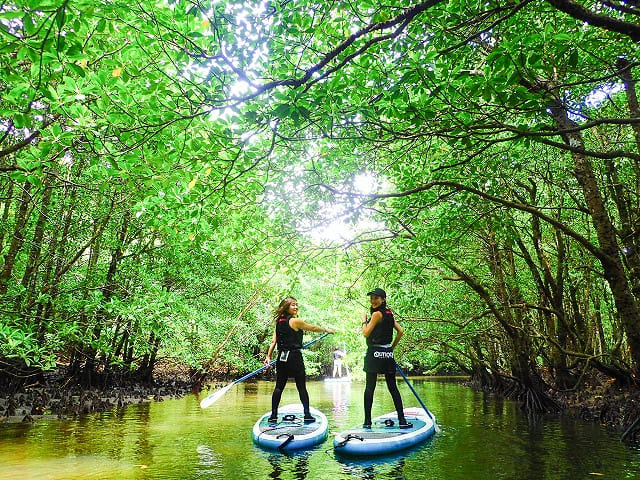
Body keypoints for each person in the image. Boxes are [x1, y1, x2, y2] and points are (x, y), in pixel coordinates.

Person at [264, 296, 334, 423]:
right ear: (286, 307)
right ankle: (307, 415)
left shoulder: (279, 321)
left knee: (279, 386)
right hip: (294, 357)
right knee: (301, 387)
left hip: (281, 357)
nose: (296, 307)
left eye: (296, 304)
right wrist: (326, 330)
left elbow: (274, 341)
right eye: (292, 305)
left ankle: (273, 416)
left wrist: (268, 356)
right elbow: (312, 328)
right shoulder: (295, 321)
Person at [361, 288, 412, 429]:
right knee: (393, 387)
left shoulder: (377, 314)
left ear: (383, 299)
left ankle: (367, 422)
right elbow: (400, 331)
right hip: (387, 353)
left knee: (370, 387)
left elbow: (365, 333)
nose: (373, 300)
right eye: (371, 298)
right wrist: (391, 348)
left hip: (374, 353)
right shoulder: (390, 314)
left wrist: (363, 321)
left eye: (376, 298)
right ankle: (402, 421)